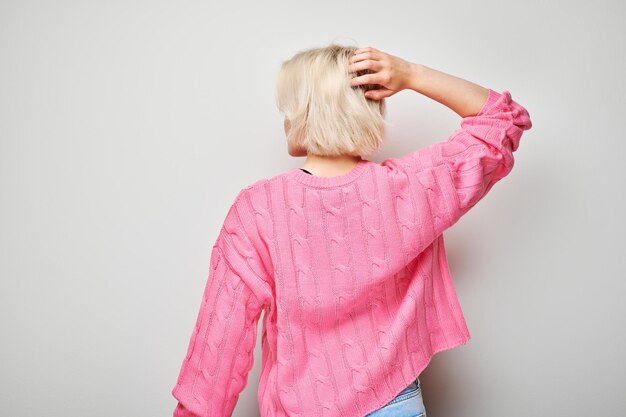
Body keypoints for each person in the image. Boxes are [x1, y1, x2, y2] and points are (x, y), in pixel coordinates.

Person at [170, 44, 533, 417]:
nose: (284, 122)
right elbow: (503, 120)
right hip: (396, 405)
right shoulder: (411, 187)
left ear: (307, 112)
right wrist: (411, 74)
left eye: (288, 109)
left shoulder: (257, 208)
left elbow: (220, 346)